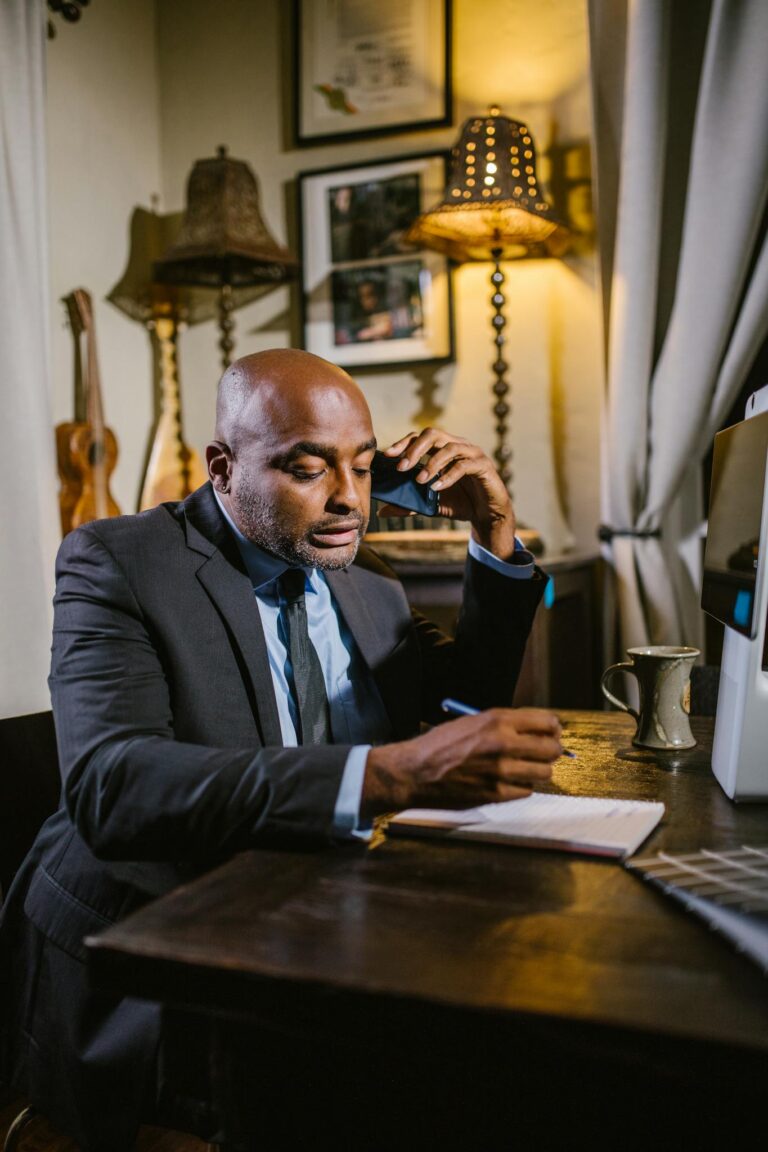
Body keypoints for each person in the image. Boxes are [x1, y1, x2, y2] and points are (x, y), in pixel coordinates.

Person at [0, 348, 562, 1151]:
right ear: (223, 468)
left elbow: (456, 711)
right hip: (163, 954)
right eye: (309, 468)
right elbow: (111, 784)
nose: (349, 501)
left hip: (325, 920)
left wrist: (494, 536)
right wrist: (382, 773)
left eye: (365, 469)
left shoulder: (364, 575)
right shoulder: (118, 562)